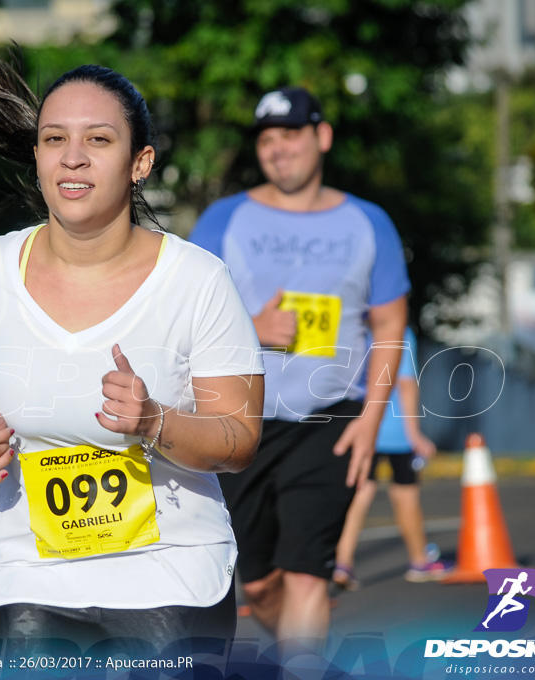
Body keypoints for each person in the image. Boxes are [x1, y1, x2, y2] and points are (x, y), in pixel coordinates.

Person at [0, 35, 265, 656]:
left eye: (99, 140)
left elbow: (239, 436)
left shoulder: (197, 280)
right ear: (36, 156)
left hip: (170, 576)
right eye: (55, 139)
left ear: (141, 162)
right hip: (28, 572)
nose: (72, 158)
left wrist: (154, 420)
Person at [189, 87, 409, 653]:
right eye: (267, 139)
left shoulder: (369, 222)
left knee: (309, 573)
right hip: (241, 422)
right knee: (260, 585)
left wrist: (371, 420)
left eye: (291, 135)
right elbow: (182, 319)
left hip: (330, 419)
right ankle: (297, 653)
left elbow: (389, 327)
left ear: (322, 136)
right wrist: (251, 331)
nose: (279, 149)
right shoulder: (224, 219)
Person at [332, 327, 448, 590]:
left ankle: (342, 563)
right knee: (405, 494)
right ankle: (420, 561)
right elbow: (405, 383)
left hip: (361, 425)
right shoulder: (399, 332)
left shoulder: (355, 330)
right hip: (395, 430)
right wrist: (415, 433)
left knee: (359, 496)